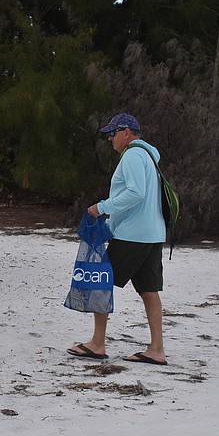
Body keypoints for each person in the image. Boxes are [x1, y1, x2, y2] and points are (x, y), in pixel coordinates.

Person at [67, 113, 168, 365]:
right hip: (153, 234)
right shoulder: (148, 157)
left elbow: (135, 193)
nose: (110, 138)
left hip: (133, 236)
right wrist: (110, 224)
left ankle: (97, 344)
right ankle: (156, 349)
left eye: (113, 133)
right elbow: (141, 200)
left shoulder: (133, 155)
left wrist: (101, 207)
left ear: (127, 132)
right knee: (149, 289)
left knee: (101, 280)